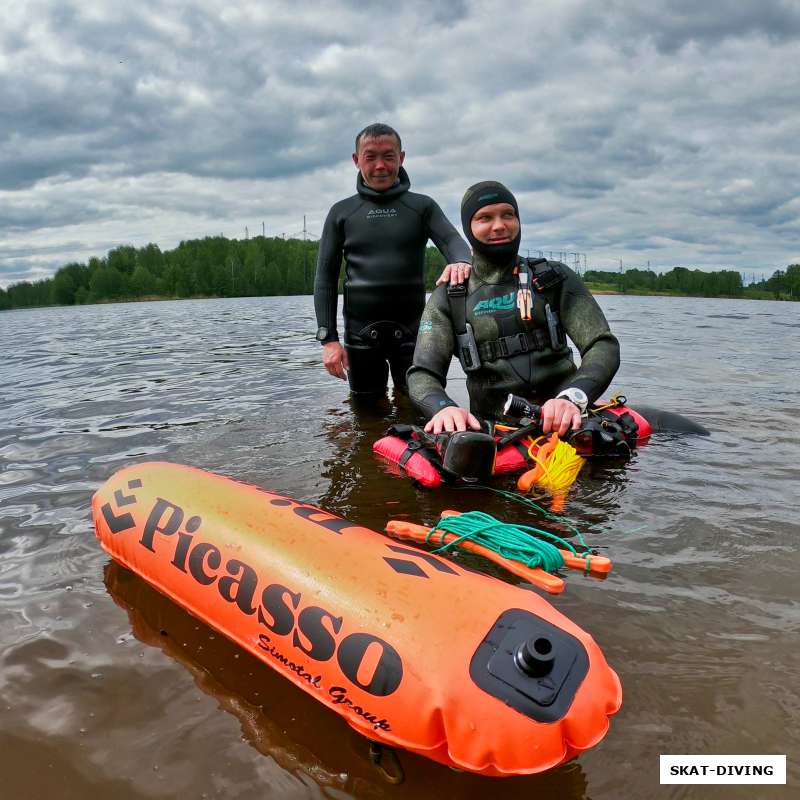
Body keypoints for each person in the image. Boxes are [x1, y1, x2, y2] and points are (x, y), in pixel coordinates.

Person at [407, 181, 620, 437]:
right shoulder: (450, 295)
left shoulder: (554, 278)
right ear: (468, 228)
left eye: (508, 214)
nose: (499, 225)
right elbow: (422, 374)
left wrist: (573, 396)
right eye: (484, 217)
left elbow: (602, 344)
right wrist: (444, 408)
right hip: (495, 431)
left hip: (570, 420)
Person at [313, 123, 471, 396]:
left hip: (414, 334)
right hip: (360, 336)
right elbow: (325, 278)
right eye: (370, 156)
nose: (380, 166)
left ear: (401, 158)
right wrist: (329, 339)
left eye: (388, 156)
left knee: (419, 409)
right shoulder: (342, 212)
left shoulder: (422, 207)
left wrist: (462, 262)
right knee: (365, 414)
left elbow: (453, 242)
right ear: (356, 160)